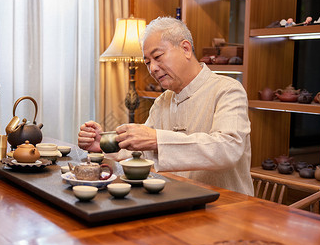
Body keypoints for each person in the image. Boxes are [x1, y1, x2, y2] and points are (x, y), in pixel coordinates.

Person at [78, 17, 253, 195]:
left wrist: (156, 139)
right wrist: (104, 145)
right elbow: (142, 152)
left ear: (185, 49)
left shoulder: (228, 90)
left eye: (158, 57)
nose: (152, 68)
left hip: (226, 209)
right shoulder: (163, 101)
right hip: (177, 202)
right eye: (147, 62)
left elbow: (228, 148)